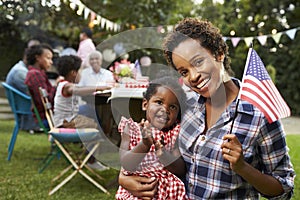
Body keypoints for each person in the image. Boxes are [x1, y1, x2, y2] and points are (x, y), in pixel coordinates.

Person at [118, 18, 295, 199]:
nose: (193, 76)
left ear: (218, 54)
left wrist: (243, 167)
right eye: (184, 72)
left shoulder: (259, 115)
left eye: (198, 62)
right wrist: (124, 178)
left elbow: (283, 189)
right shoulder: (186, 105)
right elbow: (161, 151)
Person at [116, 76, 188, 200]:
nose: (165, 109)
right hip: (138, 193)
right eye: (159, 102)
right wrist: (144, 145)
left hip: (168, 193)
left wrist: (163, 154)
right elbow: (126, 164)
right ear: (145, 104)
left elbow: (181, 169)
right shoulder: (131, 129)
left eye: (172, 107)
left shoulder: (174, 133)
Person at [53, 54, 111, 129]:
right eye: (81, 71)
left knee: (94, 115)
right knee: (97, 125)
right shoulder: (67, 86)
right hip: (66, 122)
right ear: (73, 73)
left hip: (66, 119)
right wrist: (100, 88)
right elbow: (76, 90)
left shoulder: (63, 83)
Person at [6, 39, 41, 132]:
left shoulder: (23, 70)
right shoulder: (20, 72)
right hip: (29, 119)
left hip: (29, 114)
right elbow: (37, 94)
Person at [25, 43, 62, 129]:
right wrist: (56, 85)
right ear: (38, 58)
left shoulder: (39, 73)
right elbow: (46, 102)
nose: (51, 62)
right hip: (45, 119)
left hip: (48, 116)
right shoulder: (35, 75)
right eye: (48, 58)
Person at [77, 50, 115, 132]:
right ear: (89, 61)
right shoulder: (84, 73)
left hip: (106, 102)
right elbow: (79, 88)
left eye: (97, 59)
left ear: (101, 61)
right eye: (92, 59)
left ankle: (106, 131)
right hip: (89, 101)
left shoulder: (107, 73)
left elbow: (111, 87)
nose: (94, 61)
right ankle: (101, 131)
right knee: (96, 111)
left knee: (108, 111)